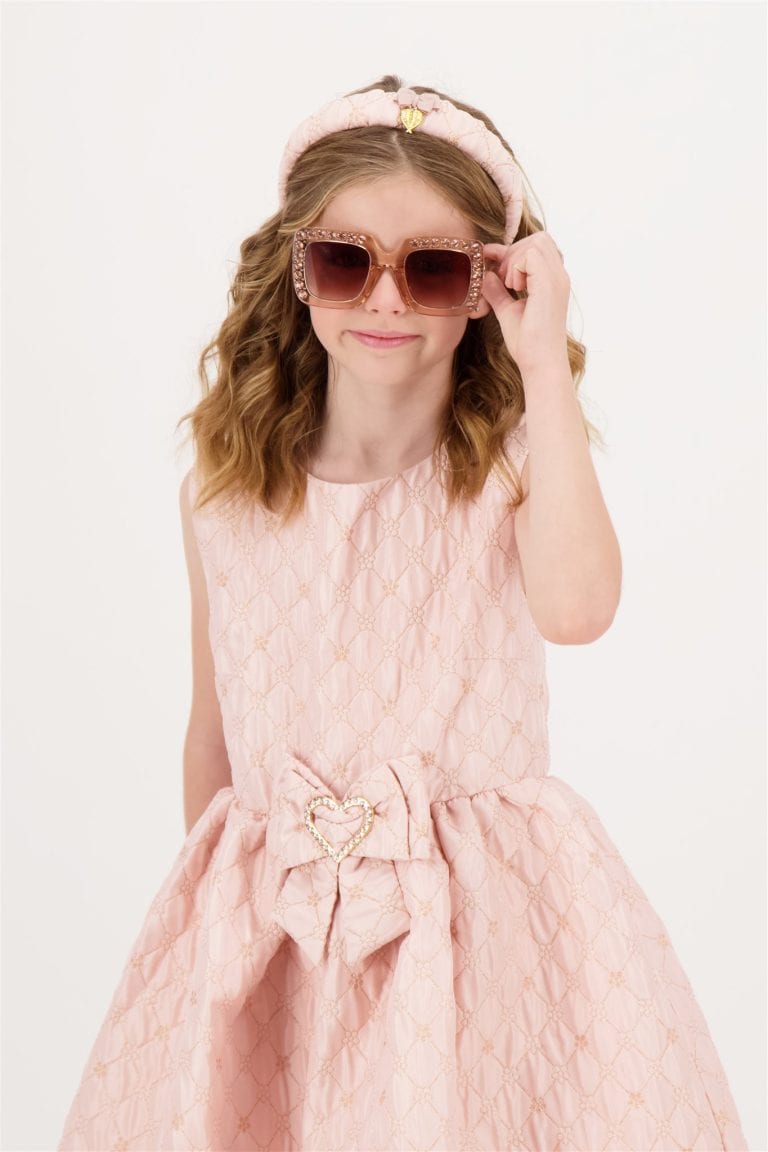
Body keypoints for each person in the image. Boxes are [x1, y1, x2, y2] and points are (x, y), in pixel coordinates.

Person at [58, 75, 748, 1152]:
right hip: (282, 934)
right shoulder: (224, 498)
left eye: (431, 270)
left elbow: (578, 611)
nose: (383, 300)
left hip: (479, 947)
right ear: (296, 270)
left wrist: (543, 371)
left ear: (486, 285)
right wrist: (215, 947)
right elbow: (213, 737)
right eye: (347, 261)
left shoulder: (512, 473)